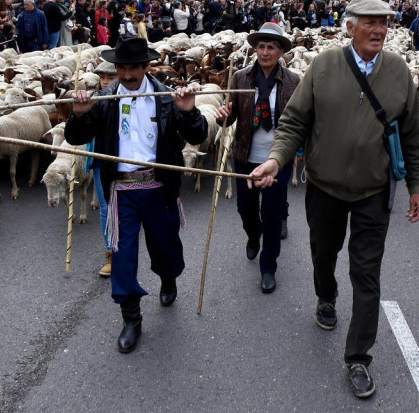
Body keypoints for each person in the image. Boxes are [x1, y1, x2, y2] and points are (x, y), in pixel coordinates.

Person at [248, 0, 419, 399]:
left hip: (373, 192)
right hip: (325, 187)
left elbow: (413, 137)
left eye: (384, 23)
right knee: (323, 254)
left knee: (366, 274)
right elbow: (294, 120)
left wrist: (417, 187)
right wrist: (277, 160)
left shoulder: (399, 73)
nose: (379, 29)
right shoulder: (324, 66)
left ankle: (359, 357)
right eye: (370, 22)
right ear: (350, 27)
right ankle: (325, 296)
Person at [64, 37, 208, 354]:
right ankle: (131, 319)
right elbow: (76, 136)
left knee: (166, 249)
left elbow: (198, 135)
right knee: (122, 254)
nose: (128, 75)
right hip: (122, 190)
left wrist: (189, 112)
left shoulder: (168, 99)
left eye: (134, 68)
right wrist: (77, 114)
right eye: (122, 68)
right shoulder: (103, 100)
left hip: (159, 187)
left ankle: (168, 278)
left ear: (146, 67)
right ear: (116, 69)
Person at [214, 22, 300, 294]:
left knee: (272, 213)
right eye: (261, 47)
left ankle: (268, 266)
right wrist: (224, 117)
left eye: (271, 47)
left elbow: (299, 121)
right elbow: (232, 115)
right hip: (245, 156)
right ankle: (253, 235)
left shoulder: (293, 81)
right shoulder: (240, 78)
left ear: (280, 51)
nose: (265, 52)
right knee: (247, 210)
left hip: (278, 160)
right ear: (255, 50)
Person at [91, 60, 119, 277]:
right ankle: (110, 252)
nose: (105, 82)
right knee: (104, 206)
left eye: (110, 77)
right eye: (102, 78)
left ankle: (125, 250)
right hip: (101, 159)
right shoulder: (95, 101)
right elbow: (80, 131)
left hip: (126, 161)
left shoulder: (129, 98)